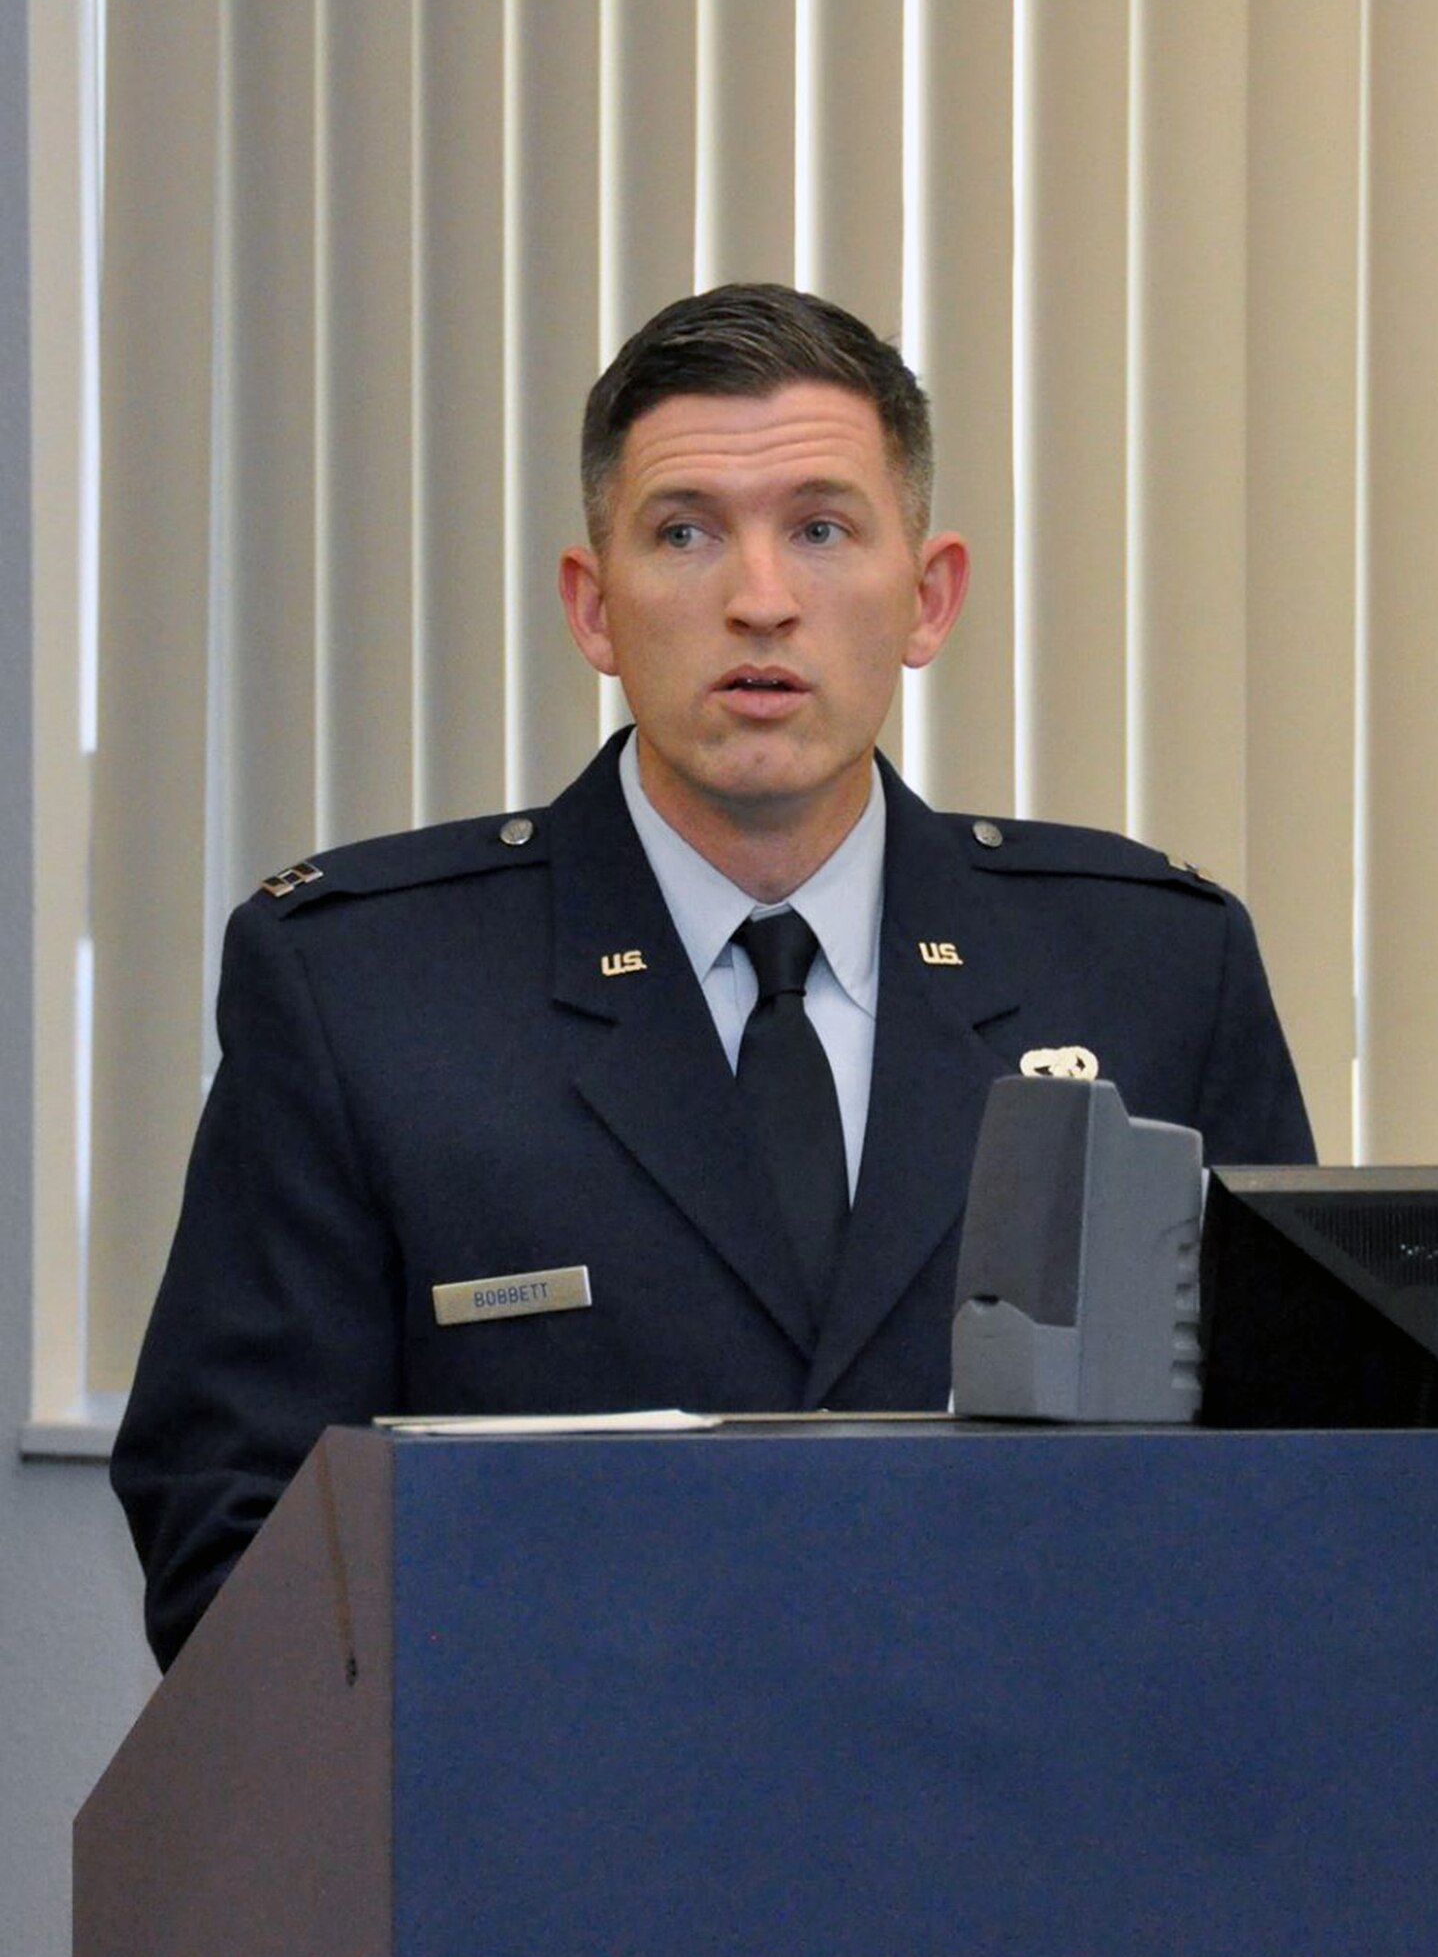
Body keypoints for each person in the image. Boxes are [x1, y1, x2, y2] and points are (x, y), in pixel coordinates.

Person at [111, 283, 1316, 1670]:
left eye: (820, 529)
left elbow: (1285, 1486)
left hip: (1045, 1833)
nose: (758, 601)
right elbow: (236, 1541)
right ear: (594, 607)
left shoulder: (1148, 965)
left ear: (927, 599)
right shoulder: (365, 989)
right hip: (556, 1839)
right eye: (683, 533)